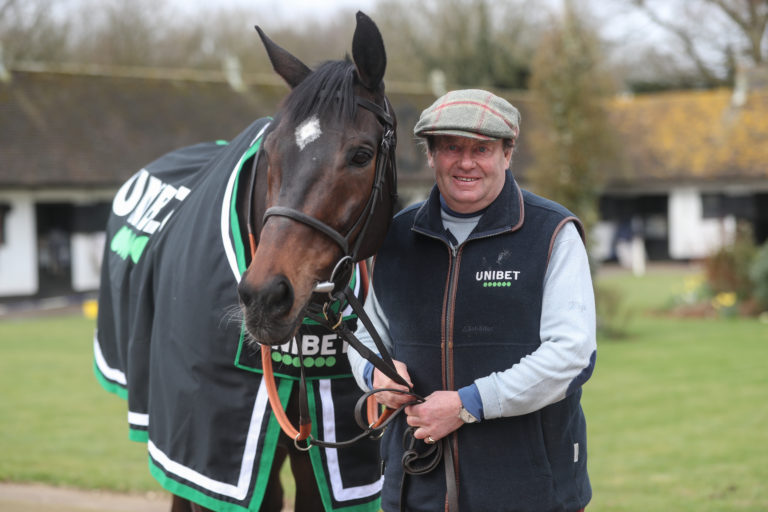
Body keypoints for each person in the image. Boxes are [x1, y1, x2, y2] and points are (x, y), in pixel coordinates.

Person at [348, 89, 596, 512]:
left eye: (481, 148)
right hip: (415, 486)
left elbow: (571, 354)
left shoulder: (552, 232)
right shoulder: (391, 237)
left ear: (507, 153)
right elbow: (365, 334)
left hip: (529, 489)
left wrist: (467, 405)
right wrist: (376, 376)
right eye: (451, 147)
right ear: (431, 155)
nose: (466, 162)